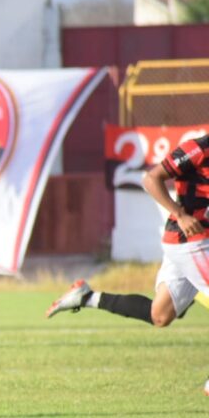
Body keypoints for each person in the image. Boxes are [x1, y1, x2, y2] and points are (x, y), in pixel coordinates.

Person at [46, 132, 209, 393]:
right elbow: (150, 178)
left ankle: (87, 297)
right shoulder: (198, 148)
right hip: (191, 242)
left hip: (196, 245)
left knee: (161, 315)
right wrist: (179, 214)